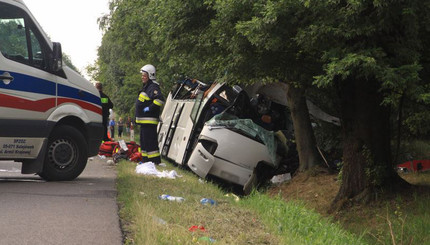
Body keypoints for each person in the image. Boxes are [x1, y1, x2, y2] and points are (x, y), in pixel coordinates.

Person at [135, 64, 164, 164]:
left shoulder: (153, 87)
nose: (142, 77)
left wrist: (149, 109)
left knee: (150, 143)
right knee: (144, 143)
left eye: (144, 75)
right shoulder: (146, 87)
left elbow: (159, 100)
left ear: (150, 75)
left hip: (149, 121)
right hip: (144, 122)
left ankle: (154, 161)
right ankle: (145, 160)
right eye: (142, 75)